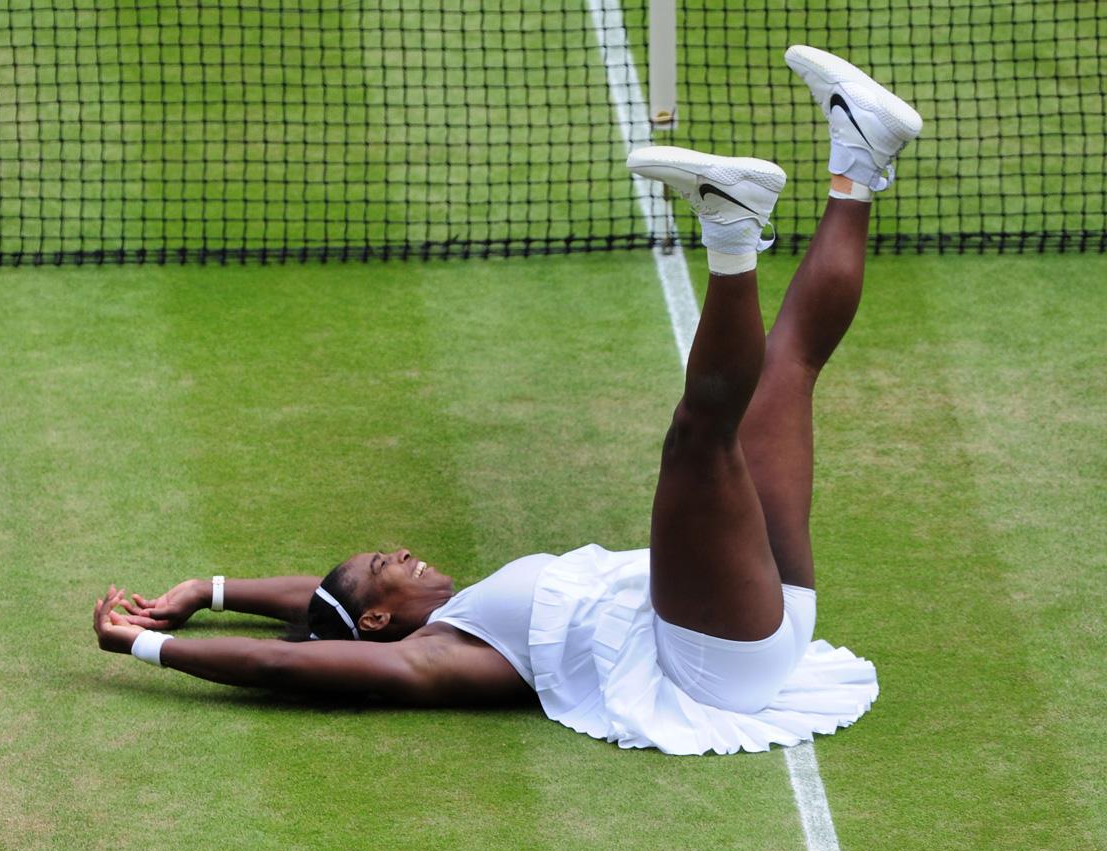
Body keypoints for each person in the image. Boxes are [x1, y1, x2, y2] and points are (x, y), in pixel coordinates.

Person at [94, 46, 921, 755]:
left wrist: (206, 590)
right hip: (715, 657)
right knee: (699, 437)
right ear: (382, 622)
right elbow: (285, 660)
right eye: (389, 567)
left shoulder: (433, 607)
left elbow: (316, 599)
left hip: (759, 612)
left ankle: (860, 157)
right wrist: (148, 648)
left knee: (789, 366)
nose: (403, 551)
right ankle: (734, 231)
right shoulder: (441, 656)